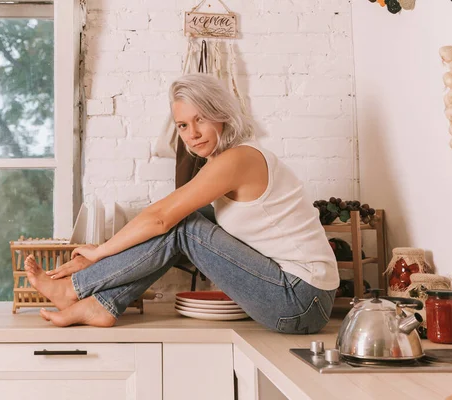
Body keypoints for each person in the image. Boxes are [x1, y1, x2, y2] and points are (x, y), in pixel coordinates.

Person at [24, 73, 339, 333]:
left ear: (222, 115)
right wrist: (104, 255)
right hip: (301, 295)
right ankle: (102, 303)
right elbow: (160, 219)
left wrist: (99, 253)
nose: (193, 134)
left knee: (183, 225)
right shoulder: (229, 160)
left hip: (300, 299)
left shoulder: (239, 159)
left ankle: (75, 290)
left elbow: (161, 217)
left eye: (200, 118)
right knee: (186, 218)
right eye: (183, 125)